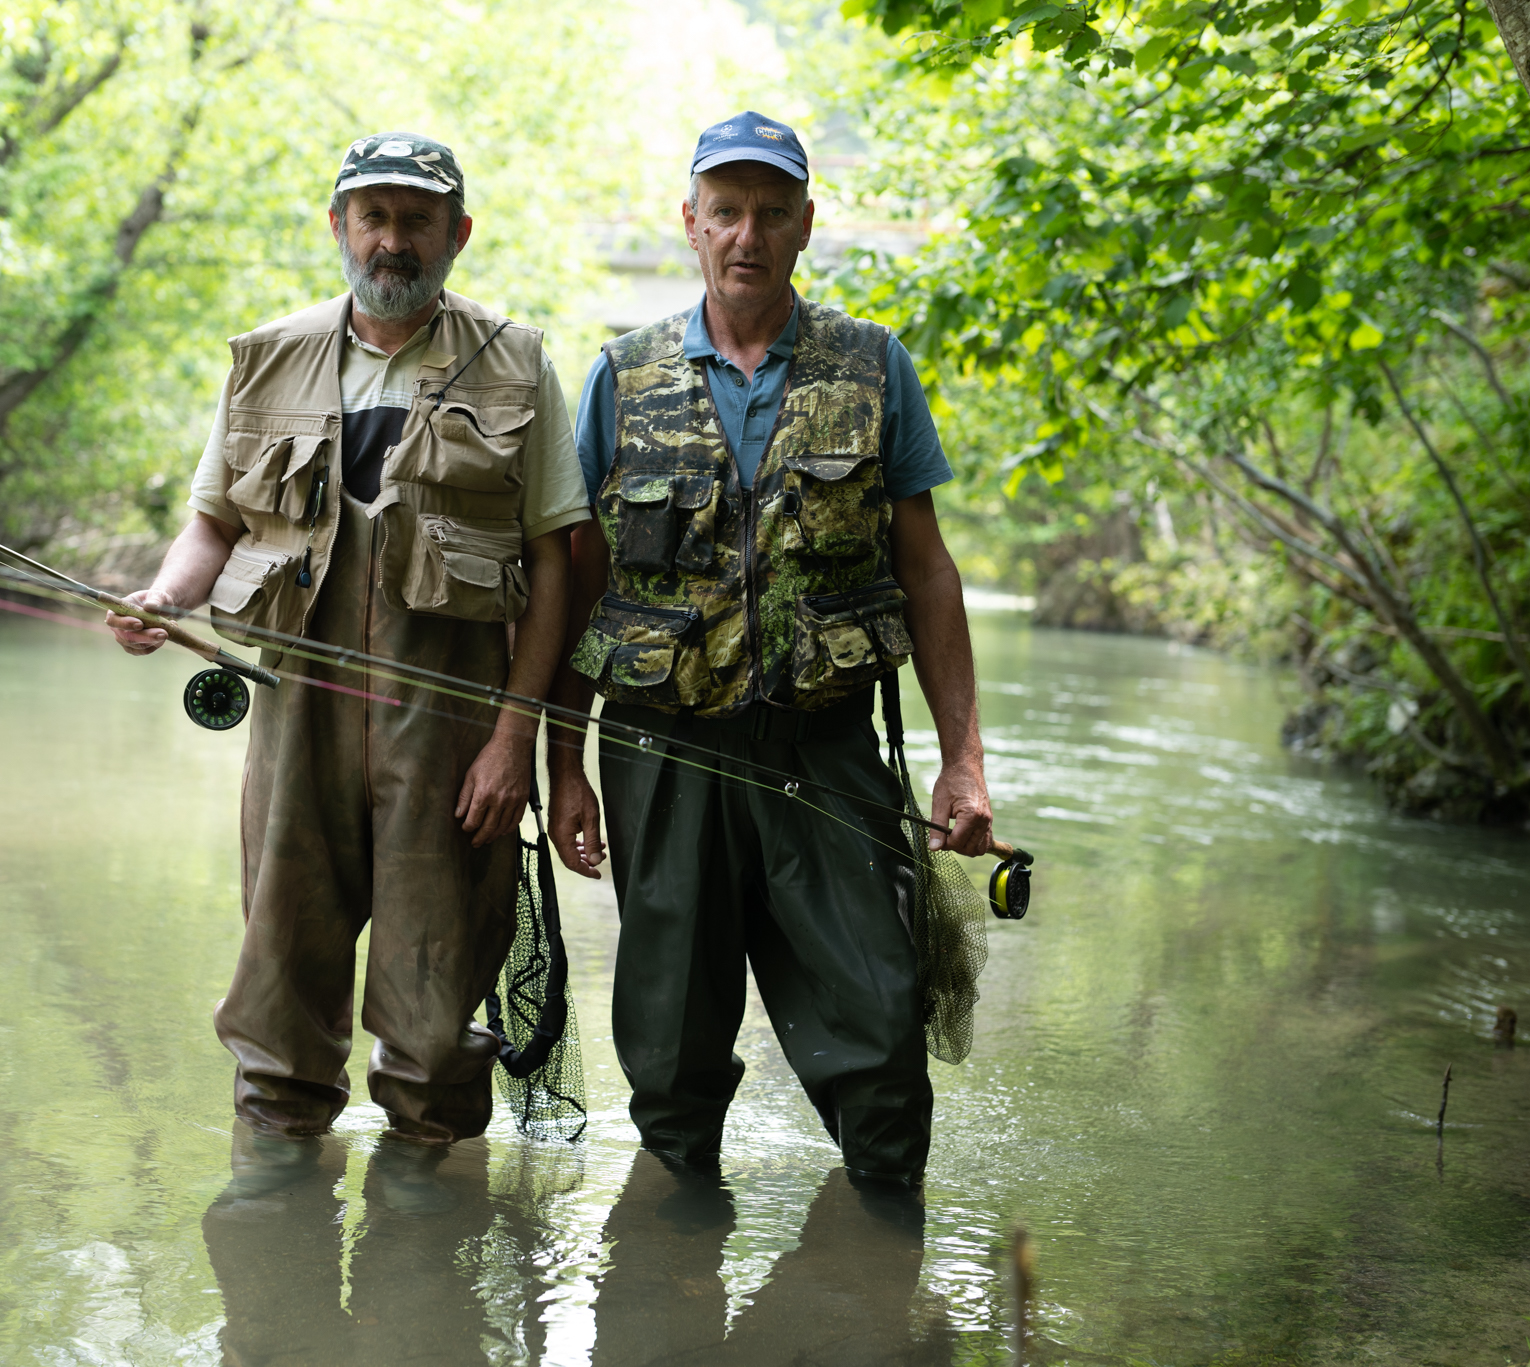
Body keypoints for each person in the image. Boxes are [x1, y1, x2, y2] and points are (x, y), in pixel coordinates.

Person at [107, 132, 591, 1151]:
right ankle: (275, 1215)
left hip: (452, 741)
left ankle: (426, 1222)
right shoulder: (267, 359)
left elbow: (557, 565)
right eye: (373, 216)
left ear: (458, 233)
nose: (392, 240)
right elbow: (212, 524)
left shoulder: (517, 363)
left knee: (434, 1036)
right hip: (297, 731)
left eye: (417, 220)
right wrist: (161, 597)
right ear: (338, 226)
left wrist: (515, 740)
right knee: (276, 1016)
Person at [547, 112, 995, 1188]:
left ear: (804, 224)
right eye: (726, 211)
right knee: (671, 1049)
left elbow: (928, 571)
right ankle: (673, 1252)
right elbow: (578, 582)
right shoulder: (621, 376)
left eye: (770, 211)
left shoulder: (873, 366)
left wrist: (964, 760)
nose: (746, 234)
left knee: (880, 1033)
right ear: (690, 223)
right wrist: (562, 765)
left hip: (826, 747)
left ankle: (879, 1247)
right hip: (660, 751)